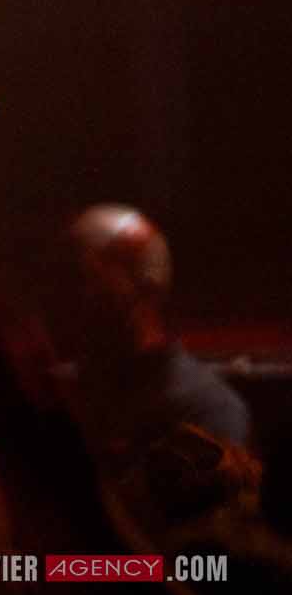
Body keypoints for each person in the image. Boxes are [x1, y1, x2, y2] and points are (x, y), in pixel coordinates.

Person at [58, 203, 253, 475]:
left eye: (93, 282)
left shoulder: (205, 409)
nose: (79, 299)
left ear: (145, 291)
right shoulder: (68, 392)